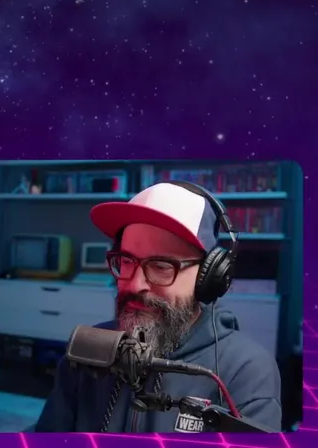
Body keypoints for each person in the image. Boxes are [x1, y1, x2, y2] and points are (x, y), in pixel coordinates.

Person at [35, 182, 282, 432]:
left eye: (161, 266)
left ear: (207, 277)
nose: (135, 284)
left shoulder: (246, 371)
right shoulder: (87, 350)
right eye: (126, 260)